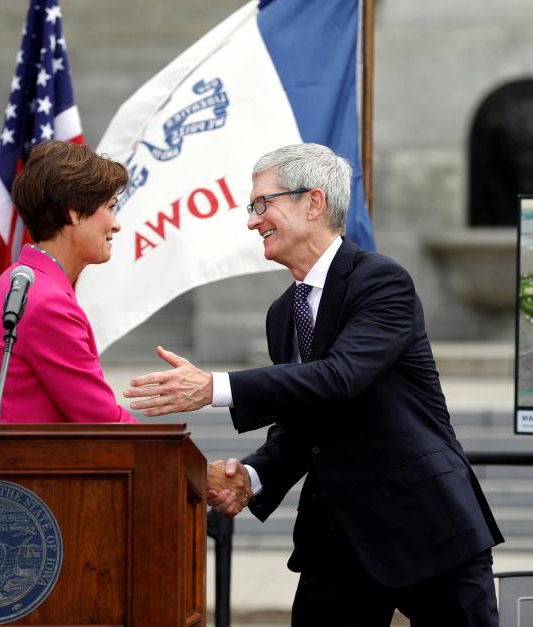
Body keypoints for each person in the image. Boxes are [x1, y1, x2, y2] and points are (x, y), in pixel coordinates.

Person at [124, 143, 503, 626]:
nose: (252, 220)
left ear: (314, 202)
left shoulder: (382, 282)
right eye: (251, 207)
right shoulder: (283, 314)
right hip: (337, 539)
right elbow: (303, 423)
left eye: (263, 204)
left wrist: (214, 388)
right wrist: (252, 479)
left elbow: (340, 378)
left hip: (425, 527)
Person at [0, 140, 136, 424]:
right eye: (110, 207)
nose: (116, 224)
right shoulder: (47, 304)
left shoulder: (20, 281)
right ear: (73, 211)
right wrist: (188, 467)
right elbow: (104, 421)